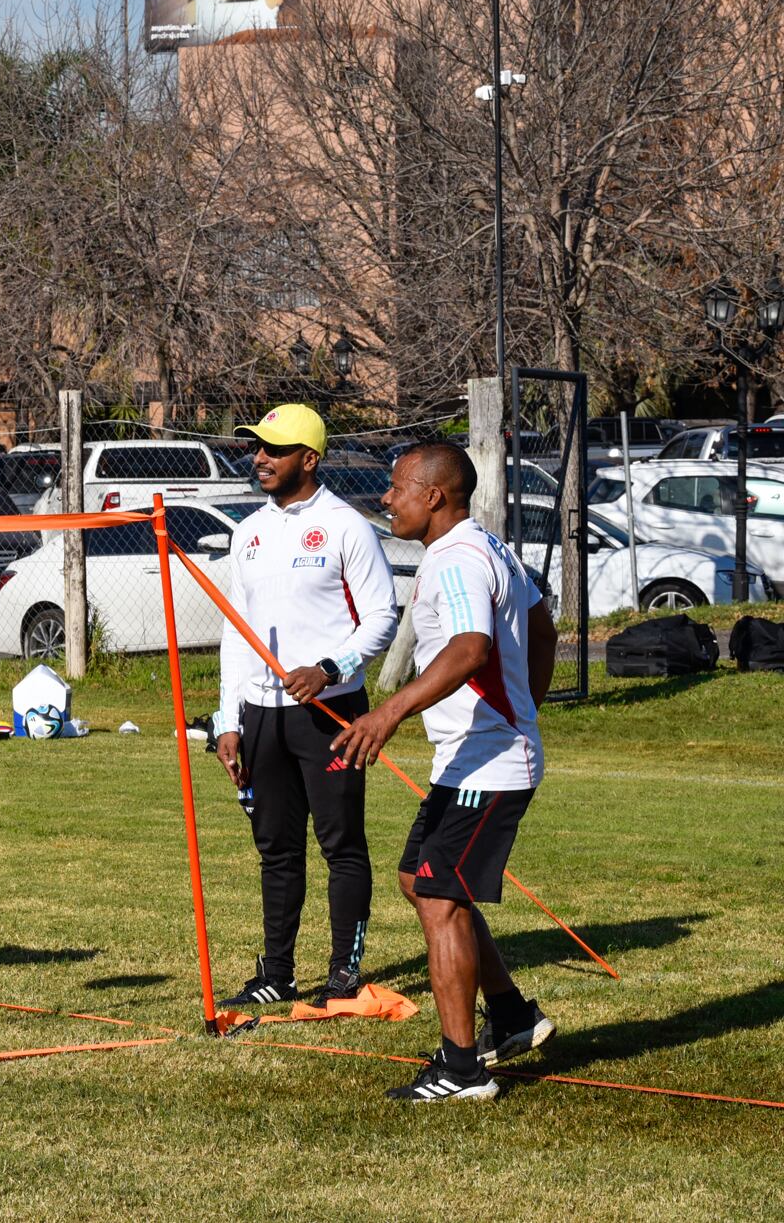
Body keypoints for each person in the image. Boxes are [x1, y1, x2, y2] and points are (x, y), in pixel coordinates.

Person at [332, 443, 559, 1103]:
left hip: (487, 764)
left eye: (398, 487)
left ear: (435, 495)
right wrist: (523, 709)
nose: (387, 498)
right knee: (418, 878)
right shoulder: (487, 545)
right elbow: (541, 631)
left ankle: (462, 1069)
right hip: (476, 755)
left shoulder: (459, 557)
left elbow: (470, 647)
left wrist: (388, 712)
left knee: (438, 897)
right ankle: (513, 1015)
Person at [213, 404, 398, 1007]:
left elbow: (381, 619)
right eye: (255, 448)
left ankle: (344, 970)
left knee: (340, 844)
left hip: (330, 713)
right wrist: (228, 721)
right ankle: (277, 974)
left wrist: (328, 669)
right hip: (261, 715)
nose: (259, 458)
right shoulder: (249, 532)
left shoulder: (348, 526)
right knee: (276, 848)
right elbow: (236, 633)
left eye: (274, 448)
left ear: (309, 459)